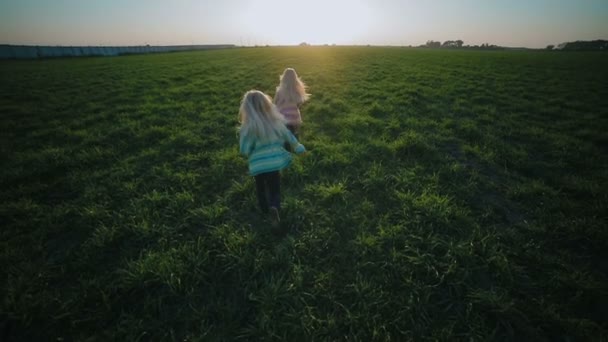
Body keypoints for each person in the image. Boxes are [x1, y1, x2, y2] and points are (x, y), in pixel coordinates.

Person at [238, 90, 306, 226]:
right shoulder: (276, 121)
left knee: (260, 188)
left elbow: (244, 150)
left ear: (246, 109)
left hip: (258, 166)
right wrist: (298, 147)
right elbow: (288, 136)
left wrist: (248, 151)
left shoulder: (247, 128)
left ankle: (264, 211)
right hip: (274, 162)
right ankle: (274, 206)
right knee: (274, 187)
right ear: (267, 105)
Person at [273, 68, 310, 138]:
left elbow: (275, 103)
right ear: (295, 78)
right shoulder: (297, 91)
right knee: (293, 135)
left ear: (283, 77)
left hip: (282, 117)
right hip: (294, 117)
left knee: (283, 136)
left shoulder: (279, 91)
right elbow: (299, 103)